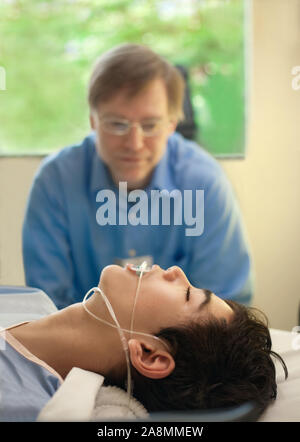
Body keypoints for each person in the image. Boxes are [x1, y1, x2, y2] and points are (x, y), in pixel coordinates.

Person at [22, 43, 253, 310]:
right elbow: (46, 308)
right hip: (78, 349)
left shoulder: (205, 184)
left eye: (150, 125)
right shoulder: (56, 182)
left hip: (182, 351)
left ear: (171, 124)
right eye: (117, 124)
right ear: (93, 121)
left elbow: (224, 307)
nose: (134, 143)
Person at [0, 264, 287, 422]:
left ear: (151, 356)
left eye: (187, 293)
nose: (175, 271)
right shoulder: (30, 299)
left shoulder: (15, 403)